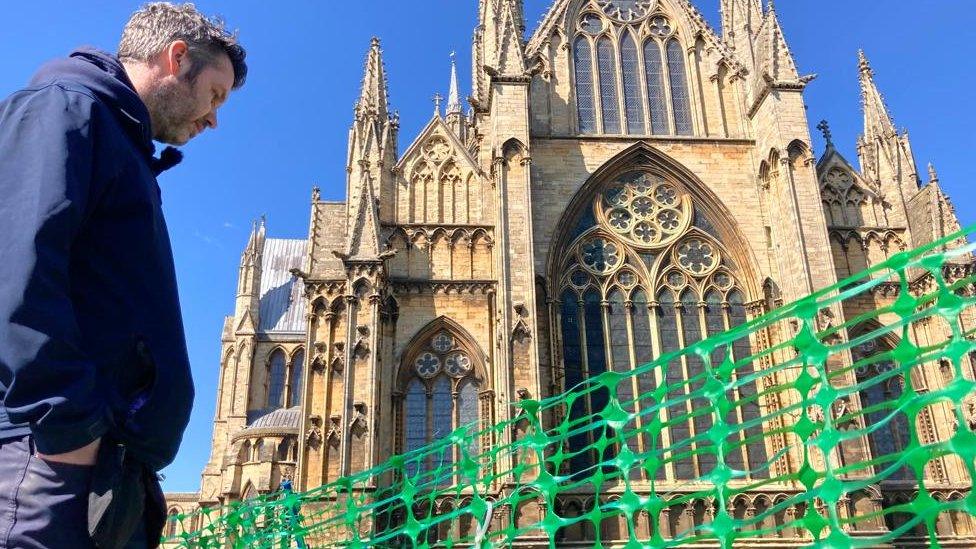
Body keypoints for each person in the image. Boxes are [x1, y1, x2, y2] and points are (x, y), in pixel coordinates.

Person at [0, 3, 247, 547]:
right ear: (177, 58)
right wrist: (69, 431)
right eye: (215, 95)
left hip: (106, 469)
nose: (214, 119)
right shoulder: (63, 109)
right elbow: (16, 273)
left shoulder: (121, 143)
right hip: (57, 465)